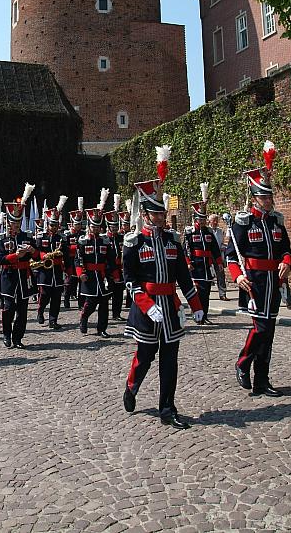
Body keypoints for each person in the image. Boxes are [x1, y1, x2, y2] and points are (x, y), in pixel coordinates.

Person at [122, 146, 204, 429]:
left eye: (161, 215)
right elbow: (129, 280)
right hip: (147, 310)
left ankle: (167, 409)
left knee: (170, 360)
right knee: (145, 356)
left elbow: (182, 276)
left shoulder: (172, 241)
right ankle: (131, 387)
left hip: (169, 308)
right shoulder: (134, 243)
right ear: (145, 214)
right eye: (155, 215)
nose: (160, 219)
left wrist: (196, 306)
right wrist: (146, 304)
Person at [226, 141, 291, 396]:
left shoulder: (276, 222)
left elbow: (286, 248)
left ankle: (262, 380)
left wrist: (286, 262)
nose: (269, 200)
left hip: (273, 281)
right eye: (264, 197)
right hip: (253, 282)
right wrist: (238, 276)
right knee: (260, 329)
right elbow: (232, 254)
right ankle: (243, 363)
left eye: (270, 196)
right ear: (254, 198)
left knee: (270, 332)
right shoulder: (244, 223)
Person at [0, 185, 37, 348]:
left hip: (23, 278)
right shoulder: (1, 239)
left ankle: (18, 337)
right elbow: (0, 259)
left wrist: (33, 250)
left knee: (22, 311)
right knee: (8, 309)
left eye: (19, 221)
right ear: (8, 221)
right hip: (8, 278)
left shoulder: (26, 235)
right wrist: (15, 256)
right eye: (14, 222)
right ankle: (6, 334)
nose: (16, 225)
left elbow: (36, 254)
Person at [76, 198, 115, 337]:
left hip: (102, 275)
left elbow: (111, 259)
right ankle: (84, 317)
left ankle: (102, 329)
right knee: (91, 303)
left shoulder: (105, 241)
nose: (96, 229)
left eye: (98, 226)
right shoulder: (83, 241)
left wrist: (113, 275)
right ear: (89, 226)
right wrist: (81, 273)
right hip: (90, 275)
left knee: (104, 304)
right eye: (93, 226)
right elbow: (78, 259)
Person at [185, 194, 224, 324]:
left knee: (206, 293)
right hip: (196, 266)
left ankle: (204, 316)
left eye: (203, 219)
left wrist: (218, 262)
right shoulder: (190, 232)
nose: (202, 222)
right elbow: (185, 249)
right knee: (200, 293)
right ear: (195, 219)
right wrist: (188, 263)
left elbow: (215, 249)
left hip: (207, 266)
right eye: (199, 219)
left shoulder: (208, 232)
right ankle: (199, 316)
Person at [34, 197, 68, 329]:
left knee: (56, 297)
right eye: (51, 225)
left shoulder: (62, 238)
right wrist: (44, 256)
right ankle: (40, 311)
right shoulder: (42, 237)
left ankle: (53, 319)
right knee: (44, 294)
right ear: (47, 225)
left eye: (55, 225)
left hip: (57, 270)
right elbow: (37, 252)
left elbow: (66, 254)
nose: (53, 227)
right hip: (45, 270)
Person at [104, 196, 126, 322]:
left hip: (120, 268)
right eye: (112, 226)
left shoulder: (121, 237)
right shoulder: (105, 239)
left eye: (115, 226)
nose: (114, 228)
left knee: (118, 293)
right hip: (108, 269)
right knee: (108, 293)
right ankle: (105, 313)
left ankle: (116, 314)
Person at [63, 199, 84, 309]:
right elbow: (65, 249)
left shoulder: (83, 234)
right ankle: (66, 300)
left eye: (80, 224)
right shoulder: (67, 235)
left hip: (80, 261)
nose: (78, 226)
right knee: (70, 282)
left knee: (81, 282)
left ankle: (81, 304)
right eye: (76, 224)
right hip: (70, 261)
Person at [208, 213, 230, 301]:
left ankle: (222, 294)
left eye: (217, 220)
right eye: (214, 220)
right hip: (209, 255)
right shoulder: (207, 230)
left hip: (218, 255)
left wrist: (223, 247)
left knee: (221, 274)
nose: (216, 222)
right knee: (209, 275)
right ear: (209, 221)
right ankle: (207, 293)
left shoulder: (220, 231)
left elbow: (222, 242)